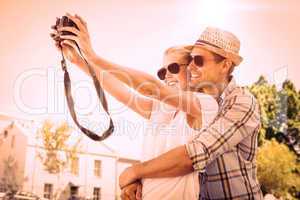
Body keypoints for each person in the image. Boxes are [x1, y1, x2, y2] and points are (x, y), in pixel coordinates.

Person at [53, 14, 263, 199]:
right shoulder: (164, 109)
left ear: (224, 64)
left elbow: (152, 89)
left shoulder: (208, 105)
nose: (166, 75)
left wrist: (93, 56)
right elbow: (122, 92)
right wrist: (79, 60)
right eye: (162, 72)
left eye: (173, 67)